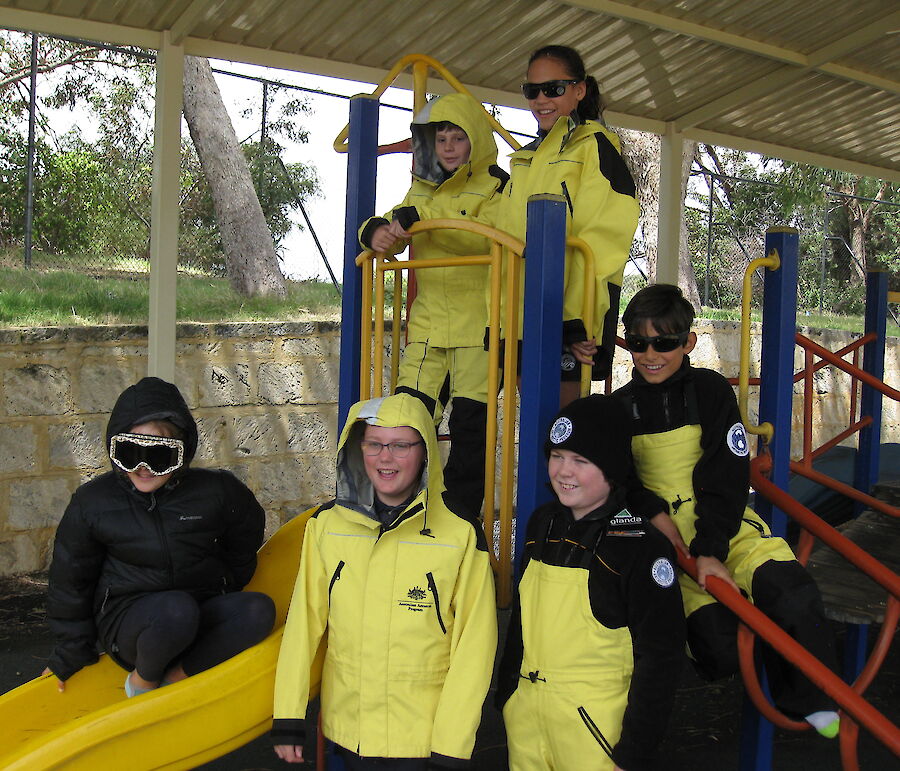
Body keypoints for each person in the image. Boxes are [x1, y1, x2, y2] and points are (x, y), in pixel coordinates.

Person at [613, 283, 841, 737]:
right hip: (667, 545)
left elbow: (727, 472)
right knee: (719, 646)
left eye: (665, 342)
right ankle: (759, 665)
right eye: (638, 343)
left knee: (791, 592)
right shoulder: (620, 408)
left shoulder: (710, 391)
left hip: (724, 528)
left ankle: (811, 700)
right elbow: (622, 480)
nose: (650, 354)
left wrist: (711, 547)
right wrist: (653, 515)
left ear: (689, 343)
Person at [272, 393, 498, 768]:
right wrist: (288, 715)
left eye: (400, 445)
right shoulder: (327, 526)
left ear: (425, 451)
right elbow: (304, 624)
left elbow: (475, 646)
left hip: (423, 740)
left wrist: (451, 744)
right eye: (374, 444)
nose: (385, 458)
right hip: (349, 730)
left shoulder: (460, 533)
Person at [44, 376, 275, 698]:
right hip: (132, 625)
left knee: (258, 609)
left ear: (183, 452)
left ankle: (178, 677)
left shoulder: (218, 492)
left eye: (158, 456)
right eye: (129, 453)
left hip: (199, 609)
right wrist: (71, 650)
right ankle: (144, 683)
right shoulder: (94, 502)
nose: (143, 468)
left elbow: (245, 533)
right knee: (176, 609)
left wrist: (226, 582)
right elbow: (70, 580)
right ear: (114, 449)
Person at [497, 395, 684, 771]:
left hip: (598, 738)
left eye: (581, 461)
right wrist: (507, 700)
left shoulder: (642, 545)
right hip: (528, 726)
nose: (564, 471)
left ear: (612, 470)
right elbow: (521, 623)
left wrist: (634, 753)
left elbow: (661, 659)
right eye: (557, 456)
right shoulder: (541, 524)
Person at [359, 92, 509, 518]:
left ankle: (461, 518)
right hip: (428, 328)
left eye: (458, 138)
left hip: (480, 331)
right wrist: (374, 234)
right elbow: (388, 227)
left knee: (470, 431)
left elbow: (493, 238)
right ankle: (403, 507)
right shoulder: (418, 190)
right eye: (440, 138)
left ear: (475, 142)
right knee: (407, 417)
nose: (447, 147)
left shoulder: (497, 186)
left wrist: (424, 225)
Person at [499, 44, 639, 406]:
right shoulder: (526, 159)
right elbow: (506, 238)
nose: (541, 99)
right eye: (532, 91)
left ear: (579, 90)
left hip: (571, 320)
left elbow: (598, 246)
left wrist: (576, 323)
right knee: (535, 430)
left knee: (563, 432)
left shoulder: (595, 149)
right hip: (525, 314)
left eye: (554, 89)